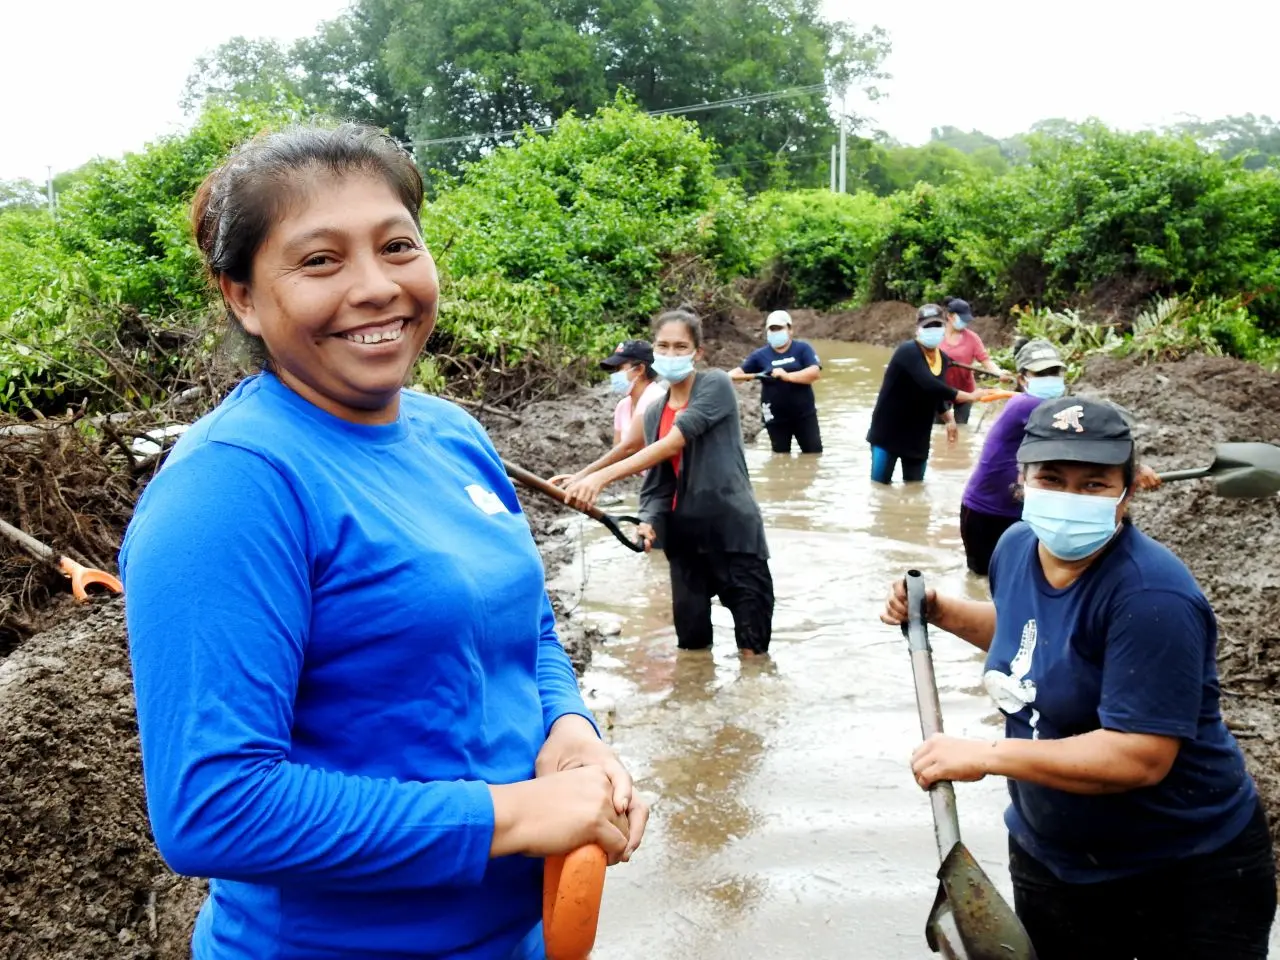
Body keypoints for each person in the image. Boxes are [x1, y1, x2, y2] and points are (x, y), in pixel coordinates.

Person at [118, 124, 647, 960]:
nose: (375, 287)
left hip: (519, 935)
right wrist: (511, 816)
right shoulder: (232, 488)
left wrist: (569, 729)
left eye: (397, 245)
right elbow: (214, 808)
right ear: (242, 296)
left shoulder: (451, 434)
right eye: (320, 261)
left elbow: (527, 629)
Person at [881, 396, 1275, 960]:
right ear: (1022, 480)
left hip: (1182, 874)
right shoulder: (1016, 546)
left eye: (1093, 484)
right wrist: (944, 611)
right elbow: (1034, 640)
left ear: (1128, 489)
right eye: (1052, 478)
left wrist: (986, 754)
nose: (1069, 497)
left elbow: (1138, 756)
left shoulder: (1151, 596)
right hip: (1050, 855)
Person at [563, 308, 773, 656]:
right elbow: (658, 483)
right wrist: (648, 519)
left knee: (753, 654)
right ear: (653, 351)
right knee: (692, 651)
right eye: (663, 346)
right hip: (685, 543)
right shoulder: (656, 409)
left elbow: (675, 441)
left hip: (733, 536)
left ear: (697, 353)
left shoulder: (716, 384)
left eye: (680, 347)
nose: (671, 355)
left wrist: (598, 478)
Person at [960, 339, 1163, 577]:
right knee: (983, 579)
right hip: (988, 509)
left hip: (1018, 506)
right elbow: (1085, 425)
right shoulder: (1027, 404)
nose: (1050, 377)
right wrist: (1135, 468)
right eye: (1042, 373)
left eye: (1055, 371)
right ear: (1023, 378)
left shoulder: (1040, 405)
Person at [866, 303, 993, 484]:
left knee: (915, 487)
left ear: (944, 327)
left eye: (937, 325)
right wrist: (970, 396)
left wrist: (949, 419)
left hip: (918, 434)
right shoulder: (907, 351)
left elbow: (936, 394)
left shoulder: (942, 358)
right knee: (880, 487)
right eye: (927, 326)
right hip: (889, 431)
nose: (933, 330)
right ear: (918, 329)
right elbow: (930, 385)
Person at [728, 309, 823, 454]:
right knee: (780, 457)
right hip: (774, 416)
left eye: (779, 328)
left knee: (813, 455)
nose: (775, 332)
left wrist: (787, 376)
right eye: (772, 329)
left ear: (790, 329)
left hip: (804, 415)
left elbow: (814, 373)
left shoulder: (803, 349)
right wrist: (756, 375)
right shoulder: (759, 355)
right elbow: (735, 375)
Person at [937, 298, 1012, 425]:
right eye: (962, 318)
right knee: (938, 429)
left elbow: (986, 361)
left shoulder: (972, 338)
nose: (965, 323)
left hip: (966, 392)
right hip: (941, 391)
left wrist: (999, 373)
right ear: (950, 316)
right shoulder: (936, 336)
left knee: (961, 427)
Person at [601, 338, 664, 447]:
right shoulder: (623, 406)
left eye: (620, 368)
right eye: (614, 370)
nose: (614, 375)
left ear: (640, 369)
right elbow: (617, 448)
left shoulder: (657, 399)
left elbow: (630, 448)